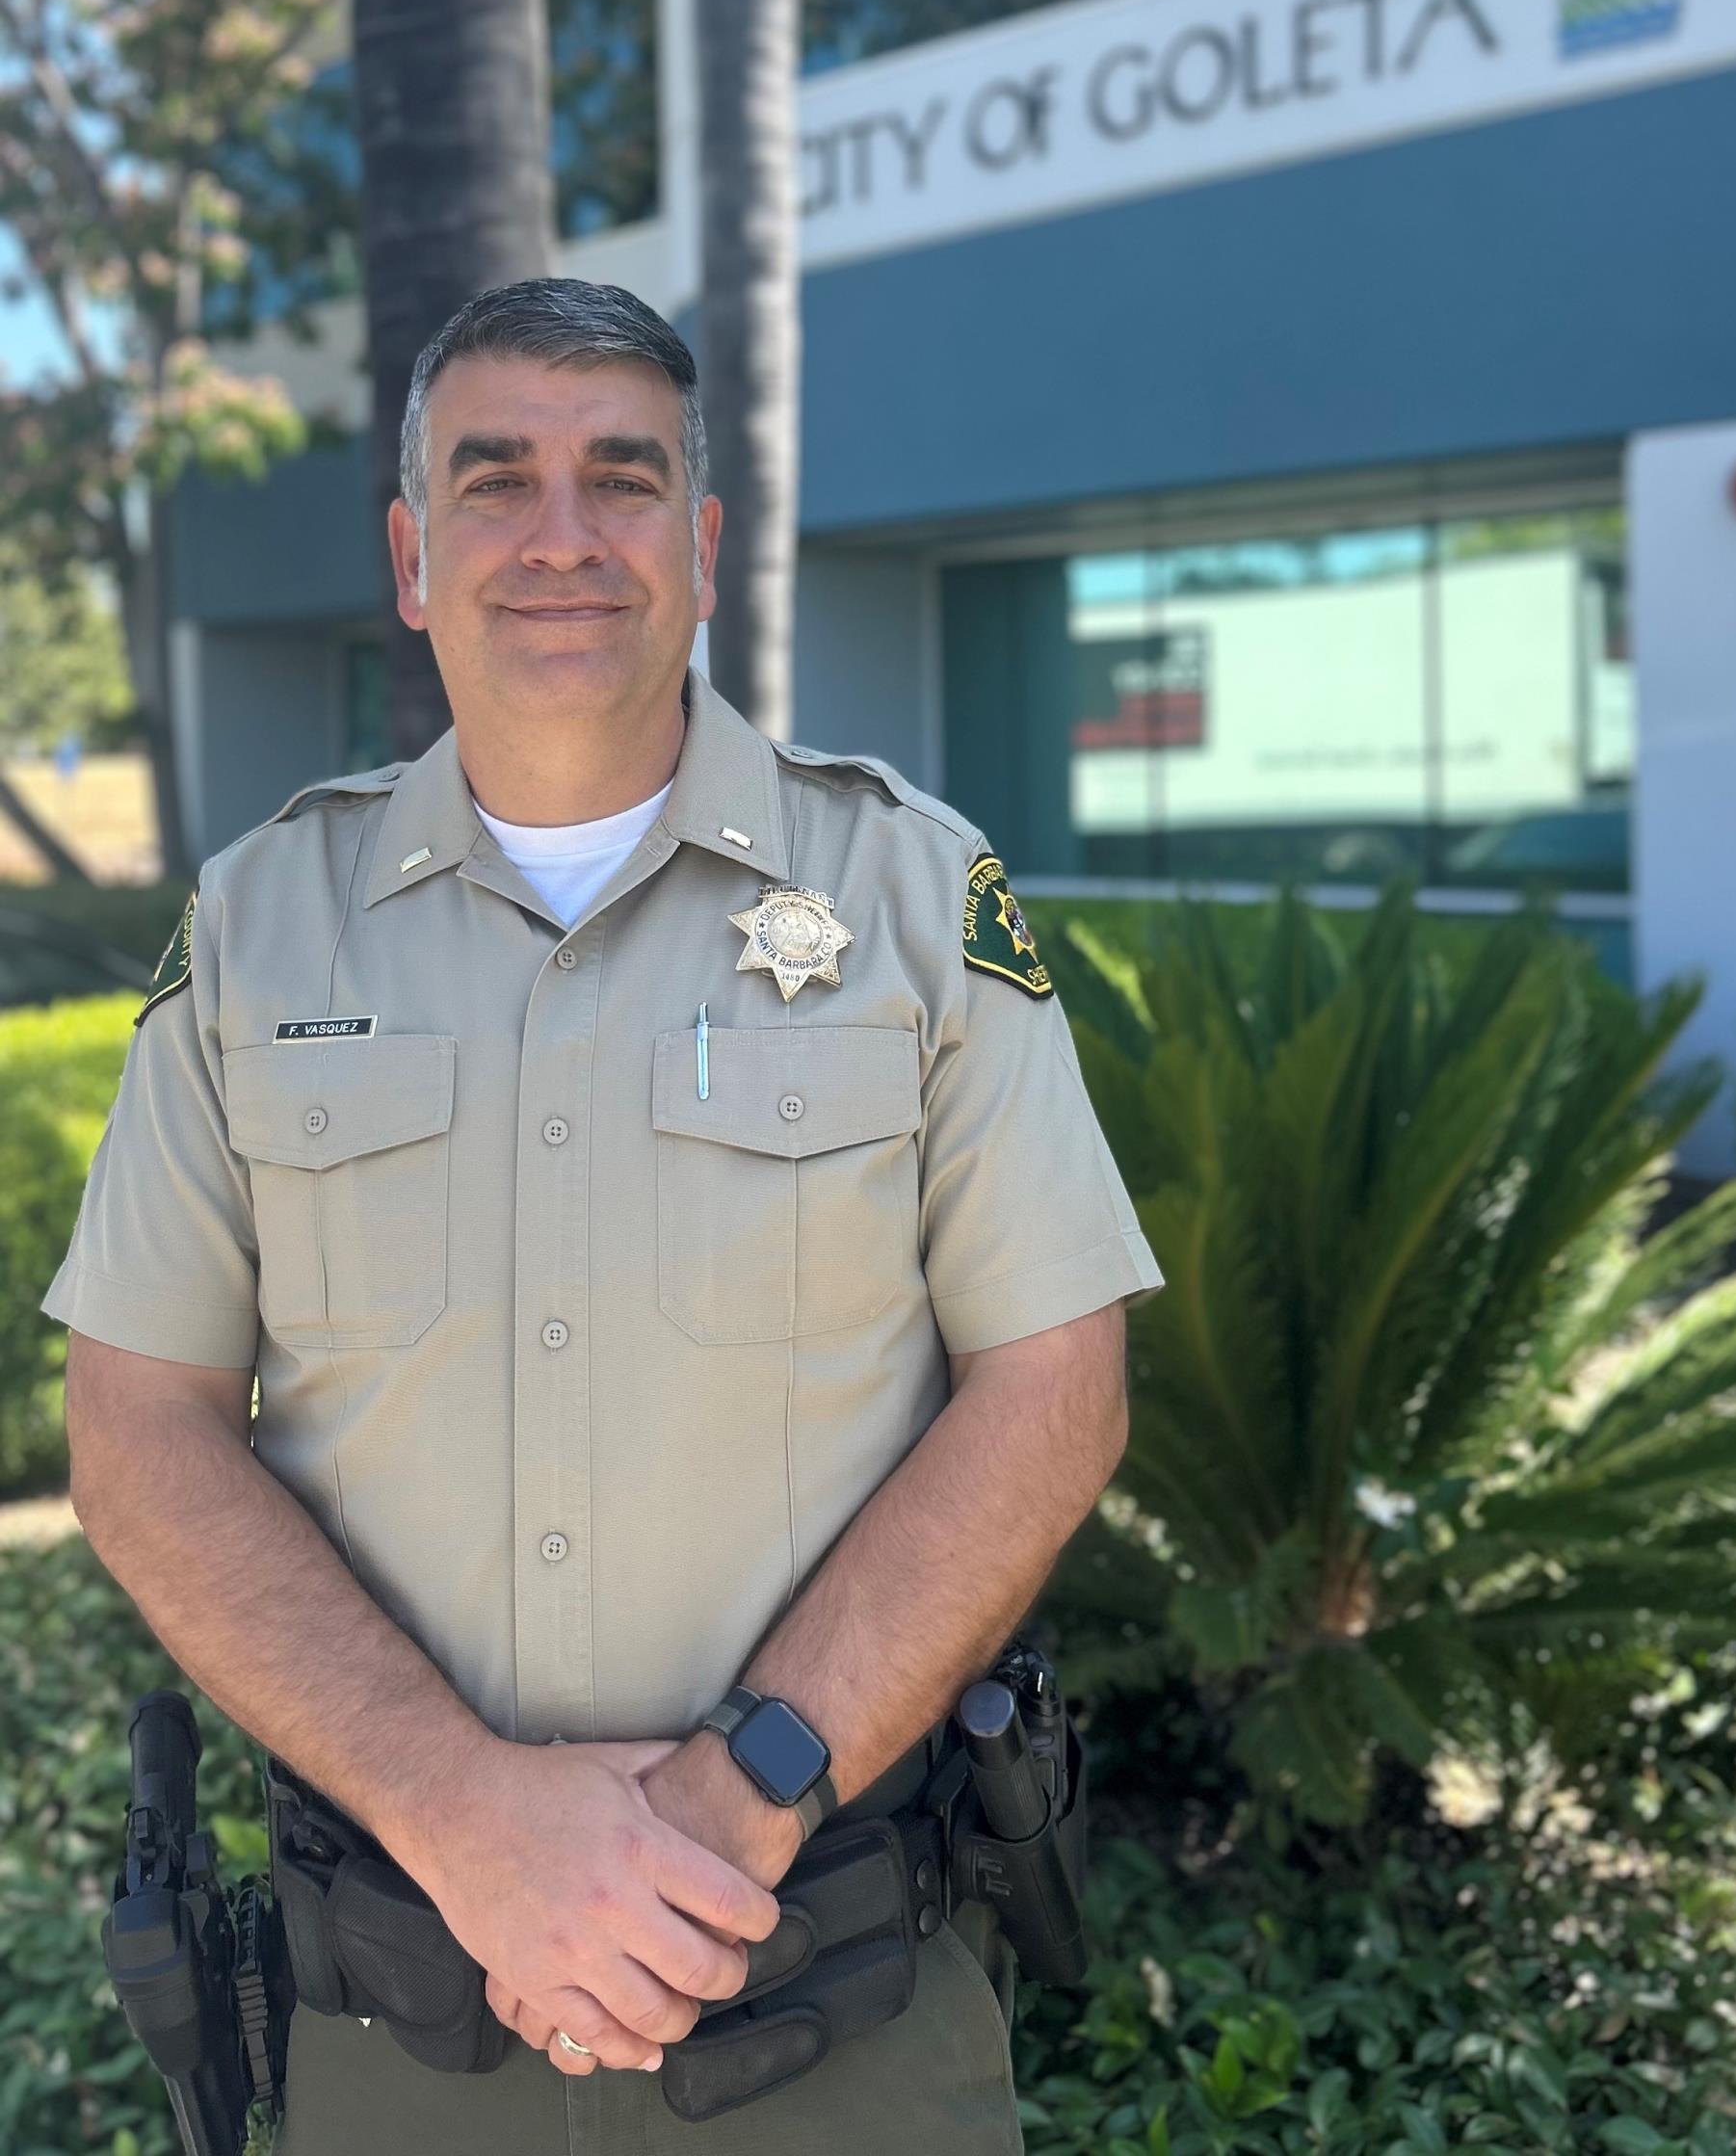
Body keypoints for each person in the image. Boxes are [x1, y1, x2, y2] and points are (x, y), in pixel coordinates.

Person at [45, 276, 1164, 2154]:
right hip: (394, 2023)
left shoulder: (909, 891)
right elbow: (138, 1427)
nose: (561, 533)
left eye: (622, 477)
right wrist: (459, 1806)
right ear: (412, 556)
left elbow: (1055, 1381)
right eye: (496, 480)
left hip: (832, 1996)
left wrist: (743, 1797)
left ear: (703, 543)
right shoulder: (256, 931)